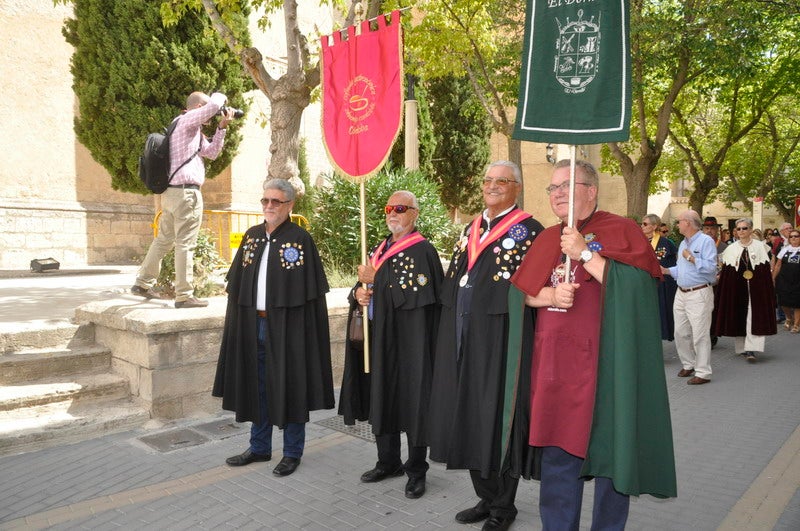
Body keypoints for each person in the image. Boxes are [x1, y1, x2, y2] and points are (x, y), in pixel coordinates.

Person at [510, 160, 676, 530]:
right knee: (557, 459)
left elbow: (639, 292)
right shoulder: (547, 237)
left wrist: (586, 254)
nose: (556, 194)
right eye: (552, 188)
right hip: (554, 369)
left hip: (607, 368)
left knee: (611, 460)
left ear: (591, 190)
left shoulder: (621, 230)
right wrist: (548, 293)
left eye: (565, 186)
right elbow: (519, 294)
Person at [427, 161, 544, 531]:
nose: (492, 186)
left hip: (501, 343)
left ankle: (503, 508)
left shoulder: (531, 231)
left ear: (517, 188)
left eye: (502, 181)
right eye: (488, 180)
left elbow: (535, 290)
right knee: (470, 418)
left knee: (498, 420)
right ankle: (485, 495)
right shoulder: (470, 228)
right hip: (462, 339)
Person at [213, 179, 334, 477]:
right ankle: (259, 447)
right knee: (258, 386)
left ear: (290, 205)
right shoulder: (252, 237)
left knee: (291, 387)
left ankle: (292, 452)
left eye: (276, 201)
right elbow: (238, 286)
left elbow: (311, 296)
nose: (269, 206)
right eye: (265, 201)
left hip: (289, 329)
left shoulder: (300, 239)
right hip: (253, 324)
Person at [338, 191, 443, 499]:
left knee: (413, 403)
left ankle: (416, 470)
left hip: (410, 344)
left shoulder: (423, 251)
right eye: (388, 208)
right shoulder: (379, 247)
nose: (392, 213)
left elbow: (419, 295)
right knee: (380, 397)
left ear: (414, 213)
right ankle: (388, 461)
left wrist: (378, 279)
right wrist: (359, 293)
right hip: (378, 338)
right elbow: (364, 284)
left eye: (400, 208)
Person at [131, 91, 236, 308]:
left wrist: (222, 126)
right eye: (208, 110)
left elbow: (212, 153)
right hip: (186, 194)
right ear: (198, 107)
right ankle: (184, 295)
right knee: (185, 243)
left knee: (164, 240)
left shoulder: (189, 129)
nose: (212, 115)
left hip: (173, 194)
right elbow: (213, 103)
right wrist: (219, 97)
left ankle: (142, 283)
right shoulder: (187, 120)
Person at [662, 210, 718, 384]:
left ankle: (703, 372)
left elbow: (711, 268)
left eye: (679, 221)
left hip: (699, 292)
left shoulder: (706, 241)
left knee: (700, 334)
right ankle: (689, 363)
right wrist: (665, 271)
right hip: (682, 292)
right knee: (680, 332)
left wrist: (693, 259)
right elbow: (681, 270)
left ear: (688, 222)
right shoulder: (682, 244)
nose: (677, 225)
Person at [714, 218, 777, 362]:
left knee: (754, 315)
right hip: (737, 288)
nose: (741, 231)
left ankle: (752, 349)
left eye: (744, 228)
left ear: (750, 230)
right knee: (740, 314)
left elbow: (765, 271)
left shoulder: (762, 247)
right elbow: (727, 273)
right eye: (739, 229)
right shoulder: (731, 249)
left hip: (757, 288)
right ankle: (742, 347)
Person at [642, 213, 678, 341]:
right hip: (643, 284)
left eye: (645, 224)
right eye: (642, 223)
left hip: (660, 284)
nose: (642, 226)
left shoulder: (665, 243)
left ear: (654, 226)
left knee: (660, 313)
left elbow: (671, 264)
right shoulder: (639, 241)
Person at [772, 228, 800, 333]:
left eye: (796, 236)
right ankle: (789, 317)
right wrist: (773, 278)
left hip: (798, 280)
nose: (793, 238)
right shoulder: (785, 250)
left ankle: (796, 324)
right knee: (783, 301)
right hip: (784, 279)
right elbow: (778, 265)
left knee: (798, 303)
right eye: (791, 236)